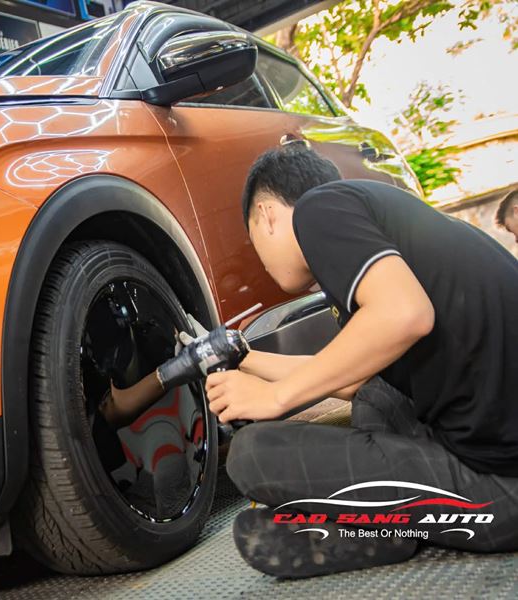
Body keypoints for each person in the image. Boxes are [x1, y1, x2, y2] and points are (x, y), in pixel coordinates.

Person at [207, 144, 518, 578]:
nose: (260, 260)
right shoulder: (373, 217)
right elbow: (350, 378)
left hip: (500, 490)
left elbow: (405, 314)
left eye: (253, 239)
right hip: (490, 452)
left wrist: (275, 398)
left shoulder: (317, 210)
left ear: (267, 214)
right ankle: (389, 519)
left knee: (251, 455)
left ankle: (389, 523)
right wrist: (245, 358)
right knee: (375, 392)